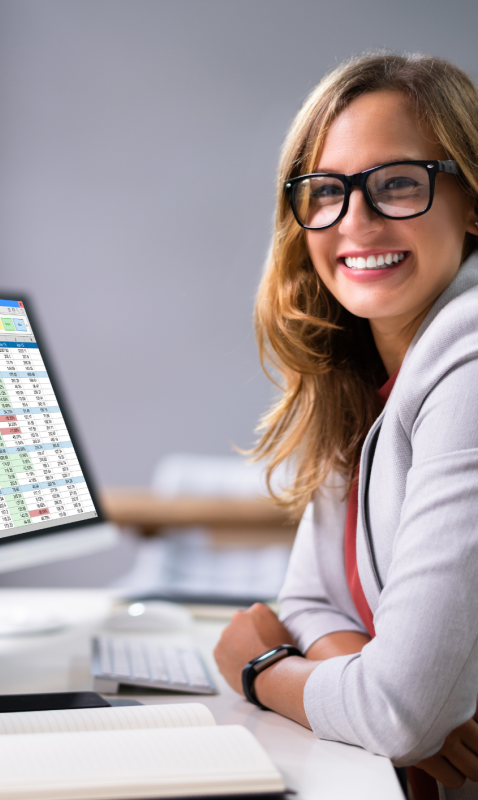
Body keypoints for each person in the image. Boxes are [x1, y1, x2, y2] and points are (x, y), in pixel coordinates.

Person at [212, 52, 478, 800]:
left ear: (473, 199)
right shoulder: (362, 366)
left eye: (397, 183)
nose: (354, 221)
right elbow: (307, 600)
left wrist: (262, 671)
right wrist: (363, 676)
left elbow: (398, 715)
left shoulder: (471, 351)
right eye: (325, 191)